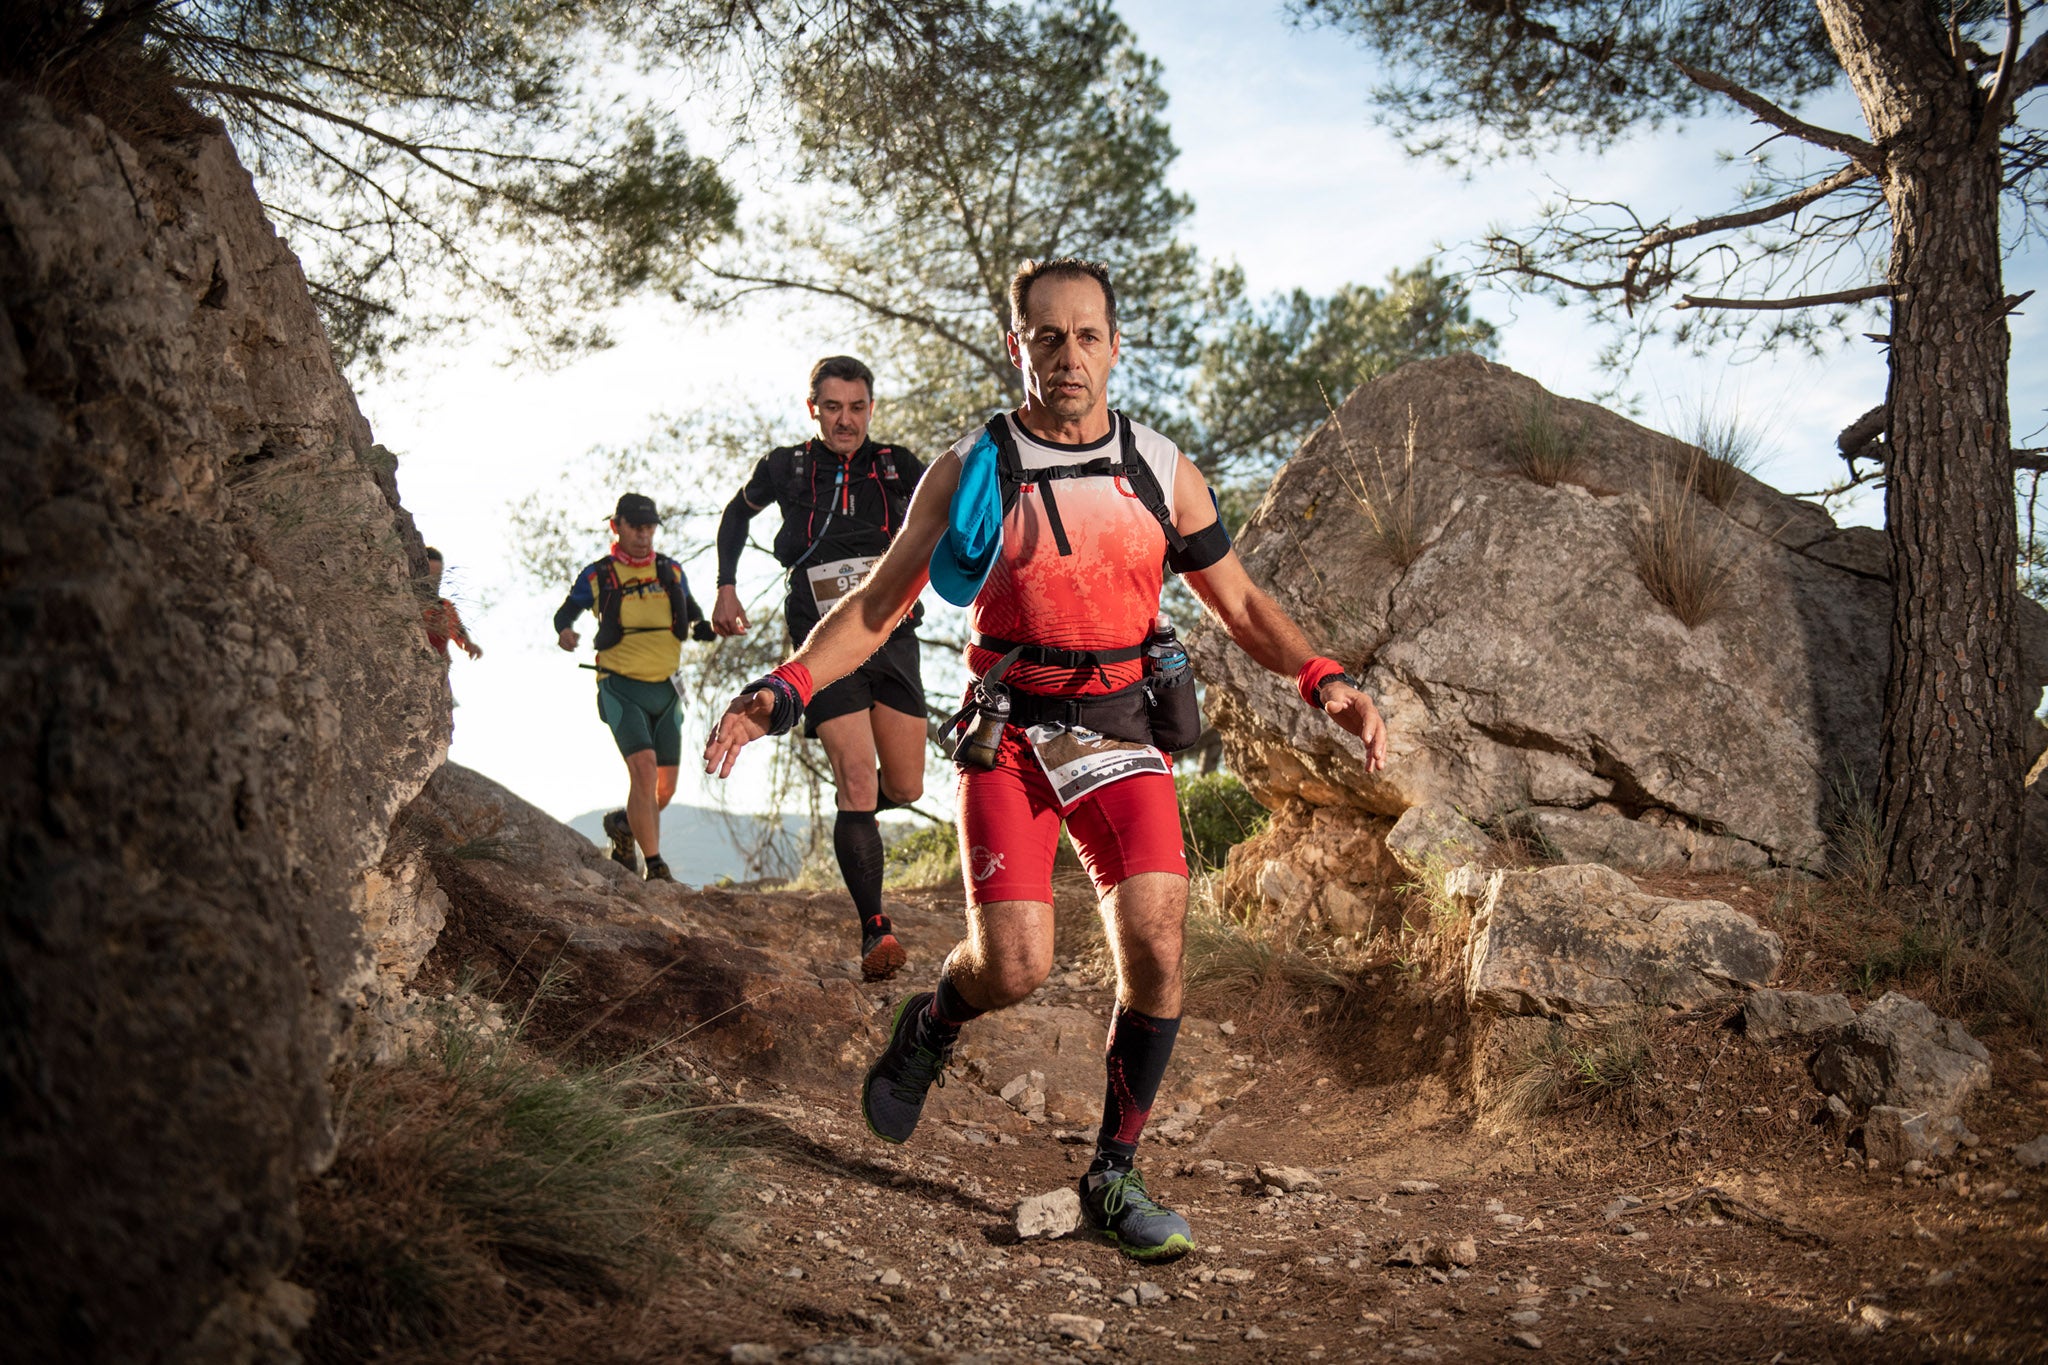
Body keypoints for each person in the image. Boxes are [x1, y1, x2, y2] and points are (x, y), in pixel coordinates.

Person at [704, 259, 1388, 1261]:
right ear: (1018, 344)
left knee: (1157, 934)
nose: (1067, 356)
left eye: (1086, 336)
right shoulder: (969, 466)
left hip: (1119, 725)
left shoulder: (1158, 468)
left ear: (1113, 347)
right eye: (1046, 337)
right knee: (1014, 966)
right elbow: (874, 608)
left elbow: (1236, 603)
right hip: (1011, 732)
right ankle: (933, 1022)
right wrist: (784, 689)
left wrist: (1321, 678)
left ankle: (1113, 1172)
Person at [713, 356, 928, 981]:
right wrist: (726, 587)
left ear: (870, 408)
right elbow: (735, 514)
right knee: (859, 779)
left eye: (857, 407)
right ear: (814, 409)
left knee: (906, 786)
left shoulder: (897, 466)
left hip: (892, 634)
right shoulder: (788, 466)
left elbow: (951, 518)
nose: (846, 420)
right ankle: (875, 929)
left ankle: (852, 817)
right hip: (820, 640)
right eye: (833, 407)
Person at [555, 493, 703, 883]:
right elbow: (565, 612)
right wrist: (566, 632)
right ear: (616, 526)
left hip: (667, 690)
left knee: (663, 791)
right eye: (636, 527)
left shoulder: (670, 570)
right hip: (620, 685)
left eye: (649, 527)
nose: (643, 535)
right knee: (644, 769)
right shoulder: (598, 574)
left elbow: (692, 610)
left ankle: (624, 825)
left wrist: (708, 626)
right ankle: (655, 867)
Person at [422, 547, 482, 662]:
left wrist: (469, 645)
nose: (433, 582)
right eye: (429, 576)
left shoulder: (444, 607)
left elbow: (459, 632)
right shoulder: (407, 601)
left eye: (437, 577)